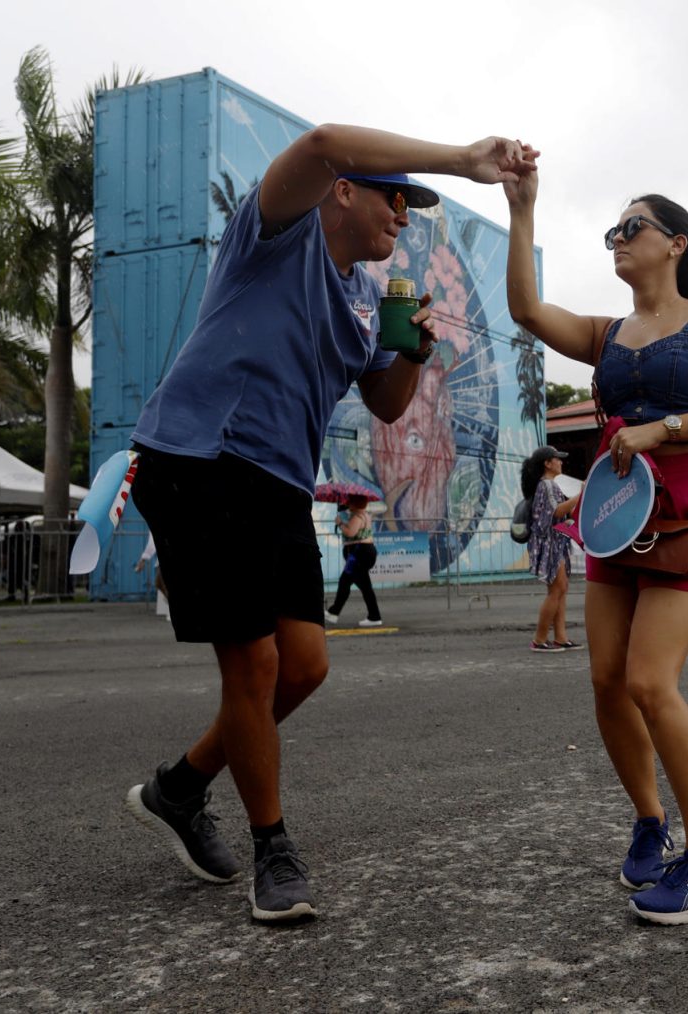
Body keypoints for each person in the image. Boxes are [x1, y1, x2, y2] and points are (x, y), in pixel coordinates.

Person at [125, 124, 536, 923]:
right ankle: (273, 850)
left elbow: (384, 402)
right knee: (251, 667)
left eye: (413, 206)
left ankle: (179, 788)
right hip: (201, 459)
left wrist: (411, 347)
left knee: (305, 667)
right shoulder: (275, 233)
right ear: (343, 189)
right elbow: (318, 142)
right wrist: (459, 163)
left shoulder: (361, 299)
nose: (405, 218)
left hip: (279, 483)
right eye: (396, 196)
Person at [503, 171, 688, 924]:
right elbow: (525, 308)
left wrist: (663, 429)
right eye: (611, 232)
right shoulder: (605, 334)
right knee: (607, 681)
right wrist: (522, 209)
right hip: (619, 513)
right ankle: (651, 821)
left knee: (652, 682)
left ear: (675, 244)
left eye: (633, 227)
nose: (619, 239)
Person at [522, 445, 578, 652]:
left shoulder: (548, 485)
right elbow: (556, 512)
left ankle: (560, 638)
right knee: (557, 590)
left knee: (560, 589)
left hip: (555, 542)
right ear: (547, 463)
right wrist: (579, 497)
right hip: (550, 543)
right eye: (557, 459)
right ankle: (539, 639)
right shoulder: (547, 485)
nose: (561, 462)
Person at [325, 495, 382, 628]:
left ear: (355, 503)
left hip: (358, 554)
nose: (347, 503)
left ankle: (374, 616)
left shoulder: (357, 517)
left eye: (350, 501)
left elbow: (350, 532)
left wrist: (340, 523)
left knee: (357, 585)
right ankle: (334, 612)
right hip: (363, 552)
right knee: (347, 582)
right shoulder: (365, 515)